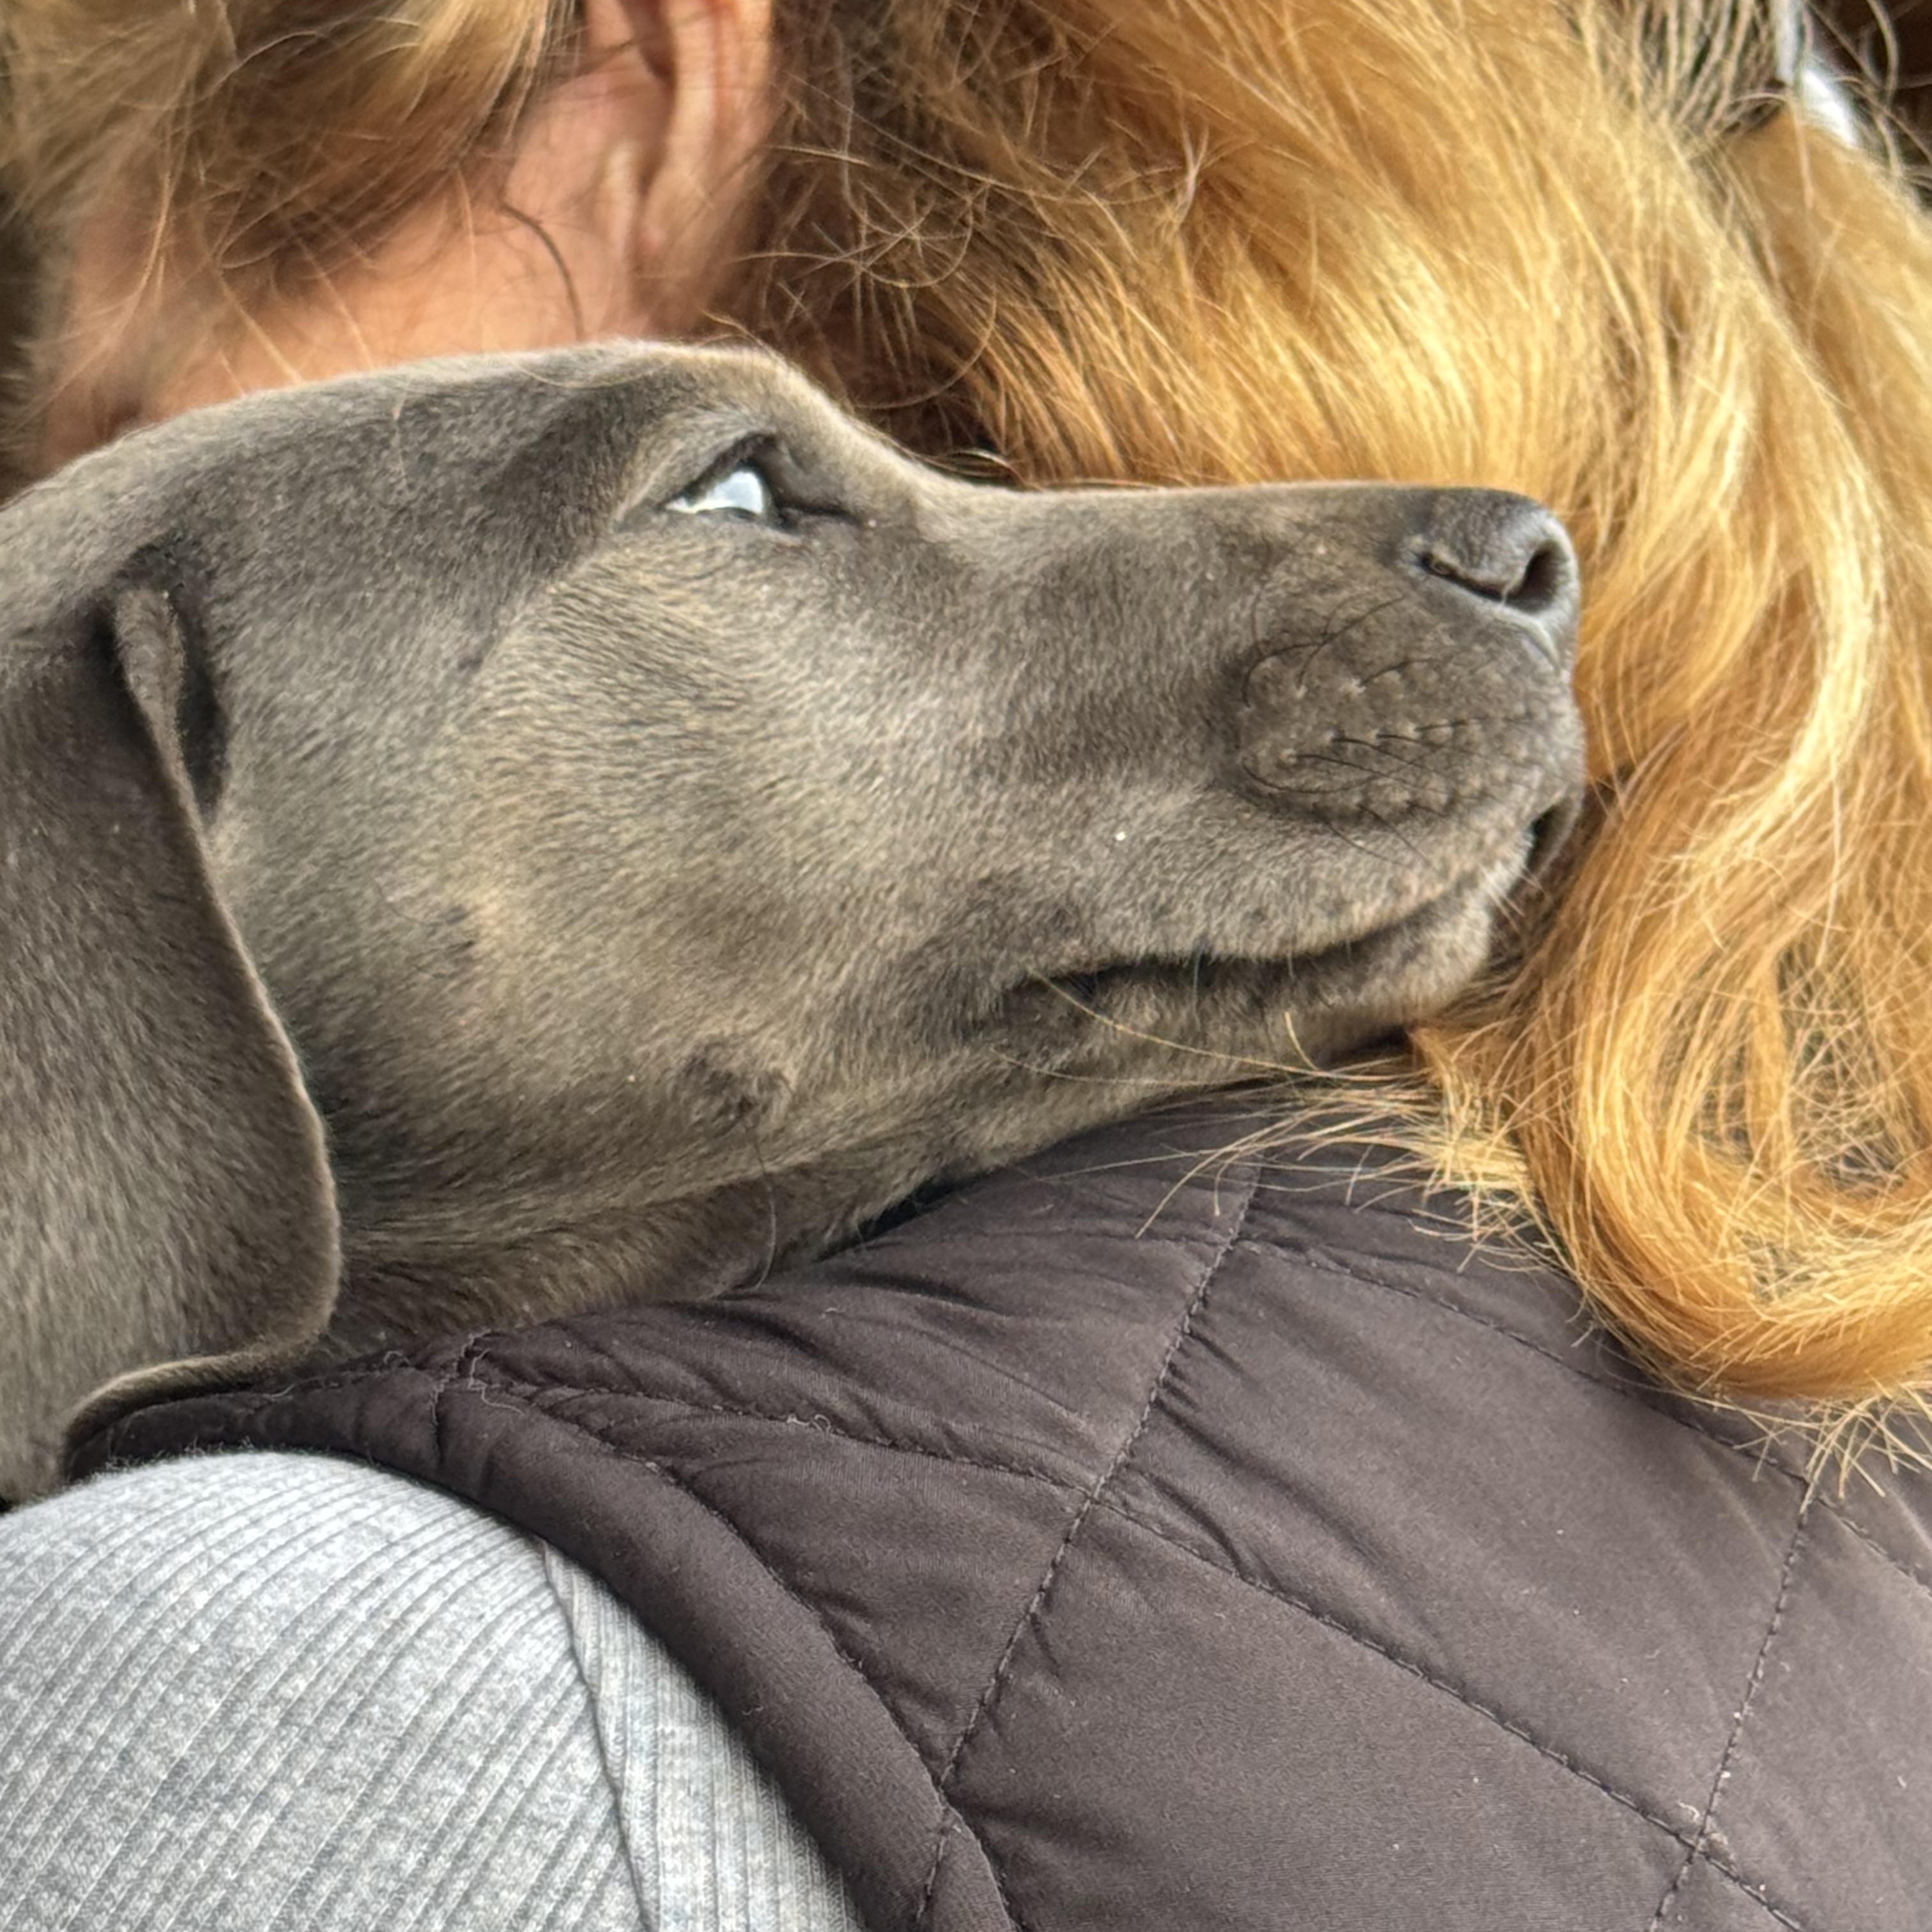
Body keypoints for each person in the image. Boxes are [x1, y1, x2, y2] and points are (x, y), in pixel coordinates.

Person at [1, 2, 1929, 1926]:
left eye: (122, 410)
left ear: (645, 82)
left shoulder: (332, 1684)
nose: (104, 483)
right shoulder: (1805, 1430)